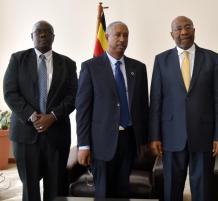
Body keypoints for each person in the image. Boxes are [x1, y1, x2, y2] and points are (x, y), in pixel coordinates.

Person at [149, 16, 218, 201]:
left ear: (194, 30)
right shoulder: (161, 60)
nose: (183, 32)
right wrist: (154, 136)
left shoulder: (212, 59)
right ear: (172, 34)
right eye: (178, 29)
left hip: (204, 135)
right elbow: (156, 101)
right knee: (171, 189)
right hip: (171, 135)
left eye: (187, 27)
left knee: (203, 189)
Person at [3, 20, 78, 201]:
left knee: (56, 187)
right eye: (38, 32)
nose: (43, 35)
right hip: (25, 136)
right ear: (32, 36)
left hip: (57, 134)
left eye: (47, 32)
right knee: (30, 187)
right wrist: (32, 116)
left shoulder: (68, 63)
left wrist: (52, 116)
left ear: (53, 36)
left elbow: (73, 96)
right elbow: (10, 93)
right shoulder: (17, 59)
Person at [76, 21, 149, 198]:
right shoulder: (90, 67)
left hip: (129, 140)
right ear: (107, 37)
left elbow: (143, 107)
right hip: (101, 141)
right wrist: (84, 144)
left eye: (126, 35)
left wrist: (144, 140)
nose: (122, 39)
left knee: (123, 191)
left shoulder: (138, 68)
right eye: (117, 35)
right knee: (103, 192)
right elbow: (83, 109)